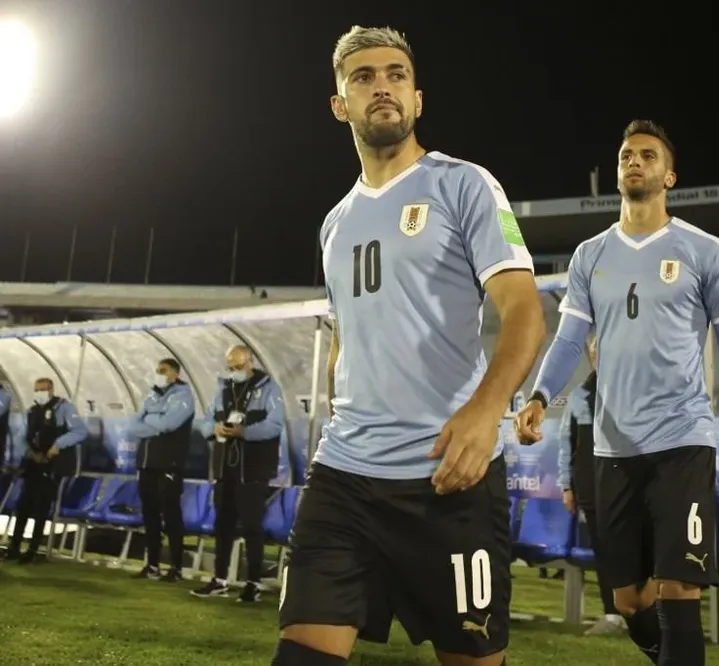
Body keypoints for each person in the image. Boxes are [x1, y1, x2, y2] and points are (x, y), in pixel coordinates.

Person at [273, 26, 544, 666]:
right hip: (343, 477)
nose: (382, 87)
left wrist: (484, 413)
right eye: (363, 78)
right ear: (341, 105)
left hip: (446, 476)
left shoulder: (466, 185)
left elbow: (524, 311)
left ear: (417, 98)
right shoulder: (334, 224)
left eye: (395, 75)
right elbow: (346, 336)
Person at [515, 119, 719, 666]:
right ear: (618, 173)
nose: (635, 161)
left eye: (648, 155)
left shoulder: (706, 252)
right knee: (630, 600)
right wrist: (539, 396)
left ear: (669, 175)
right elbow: (568, 340)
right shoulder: (590, 256)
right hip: (613, 448)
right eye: (627, 155)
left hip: (682, 440)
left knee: (679, 589)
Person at [192, 345, 285, 603]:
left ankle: (252, 582)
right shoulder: (223, 389)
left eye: (237, 367)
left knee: (252, 528)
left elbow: (274, 425)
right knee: (222, 526)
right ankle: (219, 580)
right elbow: (205, 422)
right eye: (230, 367)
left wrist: (244, 432)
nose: (233, 372)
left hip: (253, 470)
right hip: (225, 469)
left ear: (249, 362)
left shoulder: (269, 388)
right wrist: (216, 429)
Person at [557, 334, 624, 636]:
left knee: (636, 549)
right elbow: (566, 445)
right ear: (592, 358)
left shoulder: (631, 391)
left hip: (627, 487)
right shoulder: (578, 397)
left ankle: (642, 611)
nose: (601, 357)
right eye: (597, 353)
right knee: (605, 550)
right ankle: (612, 615)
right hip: (591, 488)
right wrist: (566, 486)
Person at [128, 358, 195, 582]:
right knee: (150, 515)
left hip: (169, 464)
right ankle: (153, 565)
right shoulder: (152, 394)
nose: (159, 374)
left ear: (175, 374)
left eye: (163, 370)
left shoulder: (184, 396)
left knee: (171, 515)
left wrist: (150, 417)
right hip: (146, 463)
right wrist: (155, 420)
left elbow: (169, 424)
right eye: (157, 370)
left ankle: (176, 568)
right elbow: (134, 426)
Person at [6, 378, 87, 563]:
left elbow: (79, 432)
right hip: (34, 462)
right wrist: (30, 453)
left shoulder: (64, 408)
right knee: (23, 505)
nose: (39, 393)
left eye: (43, 389)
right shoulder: (33, 411)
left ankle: (33, 550)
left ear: (51, 390)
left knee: (42, 506)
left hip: (53, 464)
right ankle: (14, 547)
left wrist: (58, 445)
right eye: (36, 390)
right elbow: (21, 436)